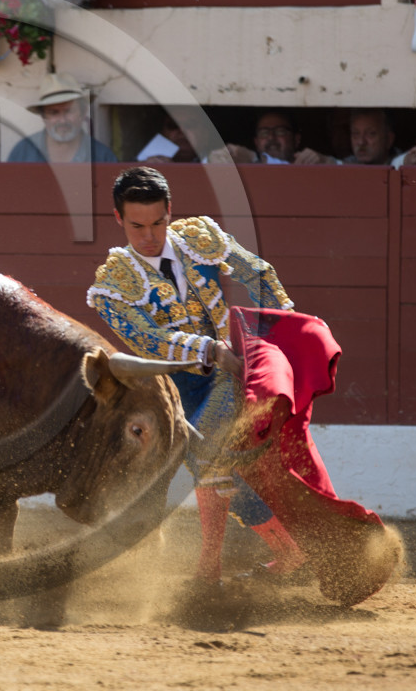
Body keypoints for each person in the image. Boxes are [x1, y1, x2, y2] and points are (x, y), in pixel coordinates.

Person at [86, 166, 306, 585]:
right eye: (137, 226)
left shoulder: (200, 239)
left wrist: (278, 330)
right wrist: (209, 349)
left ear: (170, 211)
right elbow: (148, 339)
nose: (149, 236)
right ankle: (234, 562)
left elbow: (257, 275)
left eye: (158, 223)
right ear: (118, 219)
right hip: (178, 387)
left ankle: (236, 562)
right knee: (200, 465)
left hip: (232, 375)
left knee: (204, 455)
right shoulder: (112, 286)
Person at [6, 73, 119, 163]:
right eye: (54, 113)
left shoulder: (102, 156)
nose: (62, 120)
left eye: (69, 111)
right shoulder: (23, 152)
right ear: (43, 116)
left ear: (83, 112)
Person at [214, 110, 334, 165]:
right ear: (256, 142)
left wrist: (327, 161)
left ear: (296, 139)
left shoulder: (311, 164)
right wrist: (221, 157)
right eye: (264, 133)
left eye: (280, 131)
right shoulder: (246, 161)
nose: (271, 137)